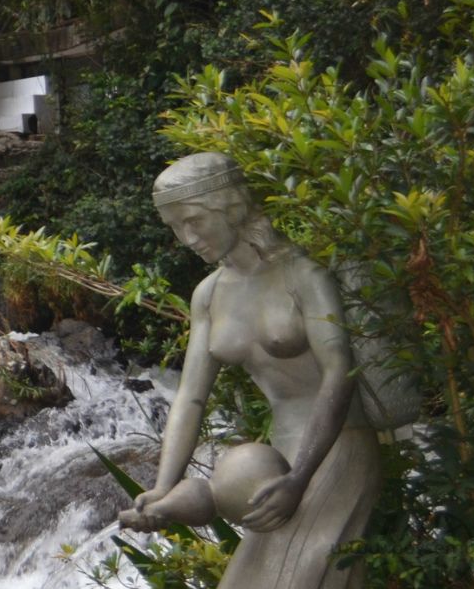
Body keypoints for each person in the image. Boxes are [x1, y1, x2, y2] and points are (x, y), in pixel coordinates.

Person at [118, 152, 380, 588]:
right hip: (276, 460)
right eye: (175, 227)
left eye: (194, 221)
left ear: (230, 206)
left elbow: (339, 373)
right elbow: (191, 396)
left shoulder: (303, 275)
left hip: (337, 449)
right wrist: (165, 486)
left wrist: (299, 479)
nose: (187, 238)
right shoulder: (209, 295)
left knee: (302, 574)